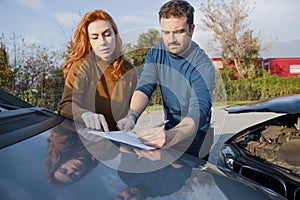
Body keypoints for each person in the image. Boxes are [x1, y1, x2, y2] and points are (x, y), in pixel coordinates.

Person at [117, 0, 215, 159]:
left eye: (179, 31)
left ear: (191, 29)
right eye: (166, 32)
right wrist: (131, 116)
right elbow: (145, 87)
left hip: (196, 136)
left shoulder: (203, 64)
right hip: (169, 128)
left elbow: (199, 110)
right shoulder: (155, 53)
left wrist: (171, 135)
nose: (172, 39)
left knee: (191, 180)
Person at [58, 9, 137, 132]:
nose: (102, 42)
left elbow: (133, 106)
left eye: (107, 34)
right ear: (89, 42)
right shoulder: (81, 66)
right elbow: (66, 105)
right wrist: (84, 115)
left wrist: (130, 118)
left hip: (118, 140)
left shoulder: (128, 69)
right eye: (95, 37)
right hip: (85, 141)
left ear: (115, 35)